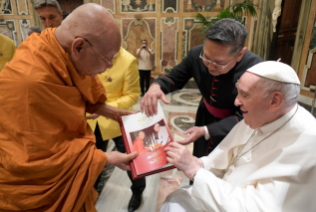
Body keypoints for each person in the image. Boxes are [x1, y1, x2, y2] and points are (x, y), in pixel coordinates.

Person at [0, 4, 138, 211]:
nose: (110, 67)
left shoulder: (55, 44)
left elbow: (81, 85)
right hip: (37, 191)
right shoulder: (31, 82)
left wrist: (108, 110)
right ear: (79, 46)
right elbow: (38, 157)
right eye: (107, 59)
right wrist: (106, 158)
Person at [161, 61, 316, 212]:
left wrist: (195, 171)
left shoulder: (307, 145)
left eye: (244, 95)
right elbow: (226, 156)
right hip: (225, 193)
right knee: (176, 200)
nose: (236, 102)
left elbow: (256, 208)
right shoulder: (262, 115)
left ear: (274, 101)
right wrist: (200, 163)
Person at [141, 18, 263, 161]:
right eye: (206, 58)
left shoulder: (256, 69)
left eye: (220, 63)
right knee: (199, 159)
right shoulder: (196, 54)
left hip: (237, 126)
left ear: (240, 55)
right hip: (205, 116)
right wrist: (156, 86)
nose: (210, 67)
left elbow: (249, 115)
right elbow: (175, 77)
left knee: (226, 165)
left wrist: (207, 131)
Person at [87, 47, 146, 212]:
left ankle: (137, 192)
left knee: (133, 162)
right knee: (94, 162)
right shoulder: (88, 54)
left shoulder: (127, 60)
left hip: (119, 122)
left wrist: (103, 109)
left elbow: (132, 94)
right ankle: (91, 194)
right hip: (92, 123)